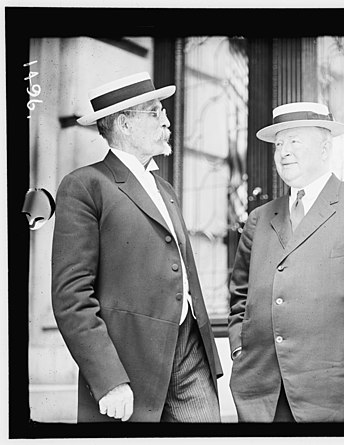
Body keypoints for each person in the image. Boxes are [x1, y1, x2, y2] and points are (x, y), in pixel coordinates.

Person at [51, 72, 222, 422]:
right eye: (155, 112)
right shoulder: (86, 185)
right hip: (130, 364)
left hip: (190, 353)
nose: (167, 120)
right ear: (125, 124)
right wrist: (109, 380)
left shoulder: (164, 188)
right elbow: (71, 296)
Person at [227, 102, 344, 422]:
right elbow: (241, 297)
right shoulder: (259, 218)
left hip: (339, 391)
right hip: (267, 395)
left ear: (325, 147)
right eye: (279, 144)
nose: (284, 152)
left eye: (295, 141)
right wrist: (240, 349)